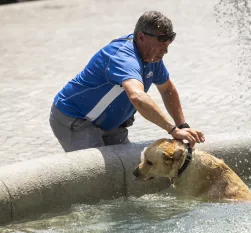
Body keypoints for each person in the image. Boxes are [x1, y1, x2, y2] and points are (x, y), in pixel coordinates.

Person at [49, 11, 205, 152]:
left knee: (131, 174)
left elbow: (167, 90)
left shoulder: (152, 56)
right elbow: (137, 97)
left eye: (167, 45)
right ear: (142, 37)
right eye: (161, 44)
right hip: (76, 119)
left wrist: (182, 125)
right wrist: (172, 130)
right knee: (99, 179)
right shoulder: (123, 57)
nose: (165, 51)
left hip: (111, 124)